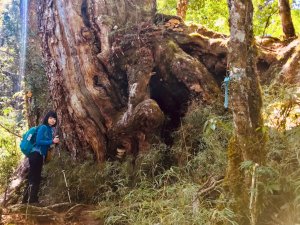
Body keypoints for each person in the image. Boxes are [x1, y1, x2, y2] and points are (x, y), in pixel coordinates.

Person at [22, 110, 60, 204]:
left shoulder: (50, 129)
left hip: (39, 156)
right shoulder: (43, 127)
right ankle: (32, 200)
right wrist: (52, 141)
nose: (52, 120)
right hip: (35, 154)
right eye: (51, 118)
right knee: (35, 177)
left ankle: (26, 200)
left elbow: (45, 144)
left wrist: (52, 143)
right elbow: (39, 141)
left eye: (54, 118)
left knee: (33, 176)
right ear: (47, 118)